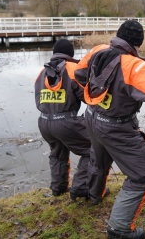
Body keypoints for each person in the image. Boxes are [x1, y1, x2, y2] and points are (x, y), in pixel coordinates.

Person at [74, 20, 145, 239]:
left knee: (98, 161)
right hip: (117, 128)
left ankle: (94, 195)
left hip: (91, 117)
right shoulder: (135, 66)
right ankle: (119, 229)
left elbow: (79, 75)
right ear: (138, 43)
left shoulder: (97, 50)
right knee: (142, 176)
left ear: (118, 36)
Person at [34, 39, 91, 199]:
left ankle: (58, 188)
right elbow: (88, 97)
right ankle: (81, 187)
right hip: (67, 122)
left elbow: (38, 100)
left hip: (44, 122)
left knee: (57, 153)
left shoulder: (41, 72)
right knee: (94, 149)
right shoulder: (73, 69)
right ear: (71, 54)